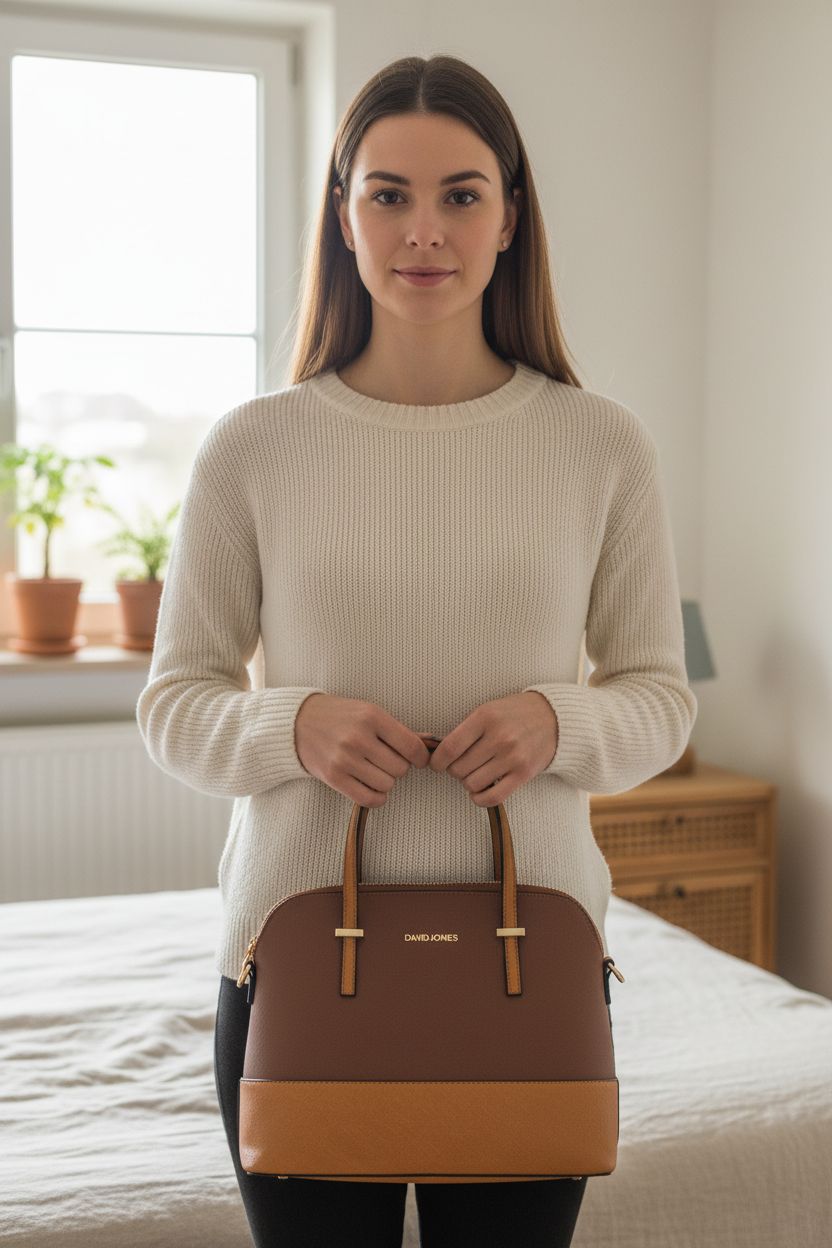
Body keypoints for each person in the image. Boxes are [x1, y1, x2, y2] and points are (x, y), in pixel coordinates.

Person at [137, 52, 697, 1248]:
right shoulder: (253, 447)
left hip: (527, 969)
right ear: (342, 217)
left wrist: (561, 721)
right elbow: (174, 705)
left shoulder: (601, 445)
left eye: (461, 194)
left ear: (510, 217)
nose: (423, 230)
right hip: (290, 967)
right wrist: (290, 726)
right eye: (388, 194)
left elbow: (659, 697)